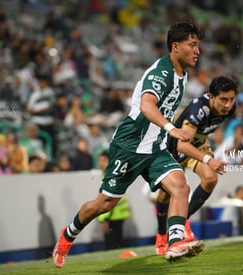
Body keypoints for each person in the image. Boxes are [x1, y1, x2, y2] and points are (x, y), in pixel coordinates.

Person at [52, 22, 203, 268]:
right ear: (175, 47)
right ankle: (67, 236)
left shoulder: (182, 73)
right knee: (105, 203)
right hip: (130, 145)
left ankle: (175, 243)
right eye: (192, 45)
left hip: (154, 147)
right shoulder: (161, 73)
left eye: (198, 45)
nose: (198, 50)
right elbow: (146, 106)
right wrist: (172, 129)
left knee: (180, 187)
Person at [154, 75, 237, 255]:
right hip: (173, 145)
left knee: (210, 179)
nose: (228, 105)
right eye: (223, 99)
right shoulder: (198, 110)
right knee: (164, 196)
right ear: (212, 96)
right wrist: (209, 159)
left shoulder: (229, 108)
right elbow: (182, 144)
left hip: (197, 142)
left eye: (231, 99)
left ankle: (183, 221)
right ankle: (161, 234)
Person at [97, 151, 131, 250]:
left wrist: (104, 219)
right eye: (99, 161)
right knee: (118, 244)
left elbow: (108, 198)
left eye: (103, 161)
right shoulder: (115, 174)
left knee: (112, 245)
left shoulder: (109, 176)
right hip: (119, 214)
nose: (100, 163)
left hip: (112, 216)